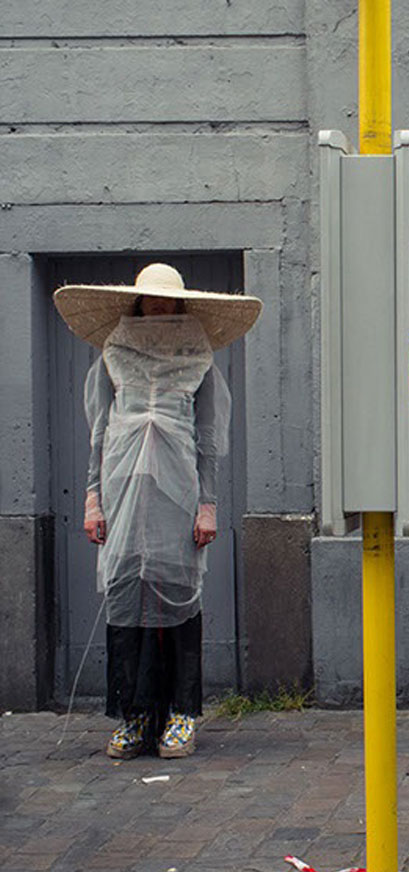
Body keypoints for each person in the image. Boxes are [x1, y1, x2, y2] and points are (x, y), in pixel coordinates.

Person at [53, 263, 259, 758]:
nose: (159, 307)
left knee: (178, 597)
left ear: (181, 304)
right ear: (138, 303)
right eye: (151, 299)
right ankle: (135, 715)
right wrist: (92, 499)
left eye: (168, 299)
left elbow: (207, 439)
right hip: (122, 487)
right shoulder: (112, 357)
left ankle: (183, 714)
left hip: (178, 489)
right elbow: (100, 433)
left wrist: (207, 506)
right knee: (126, 596)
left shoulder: (199, 360)